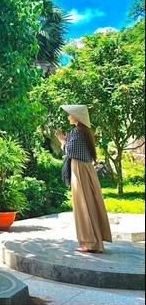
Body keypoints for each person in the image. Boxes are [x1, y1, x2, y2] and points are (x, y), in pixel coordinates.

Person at [55, 104, 112, 253]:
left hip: (79, 169)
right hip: (85, 169)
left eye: (70, 114)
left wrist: (62, 141)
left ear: (77, 116)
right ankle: (92, 242)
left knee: (83, 205)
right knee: (89, 203)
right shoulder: (84, 131)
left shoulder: (77, 131)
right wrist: (67, 140)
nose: (68, 116)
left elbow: (71, 150)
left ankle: (90, 242)